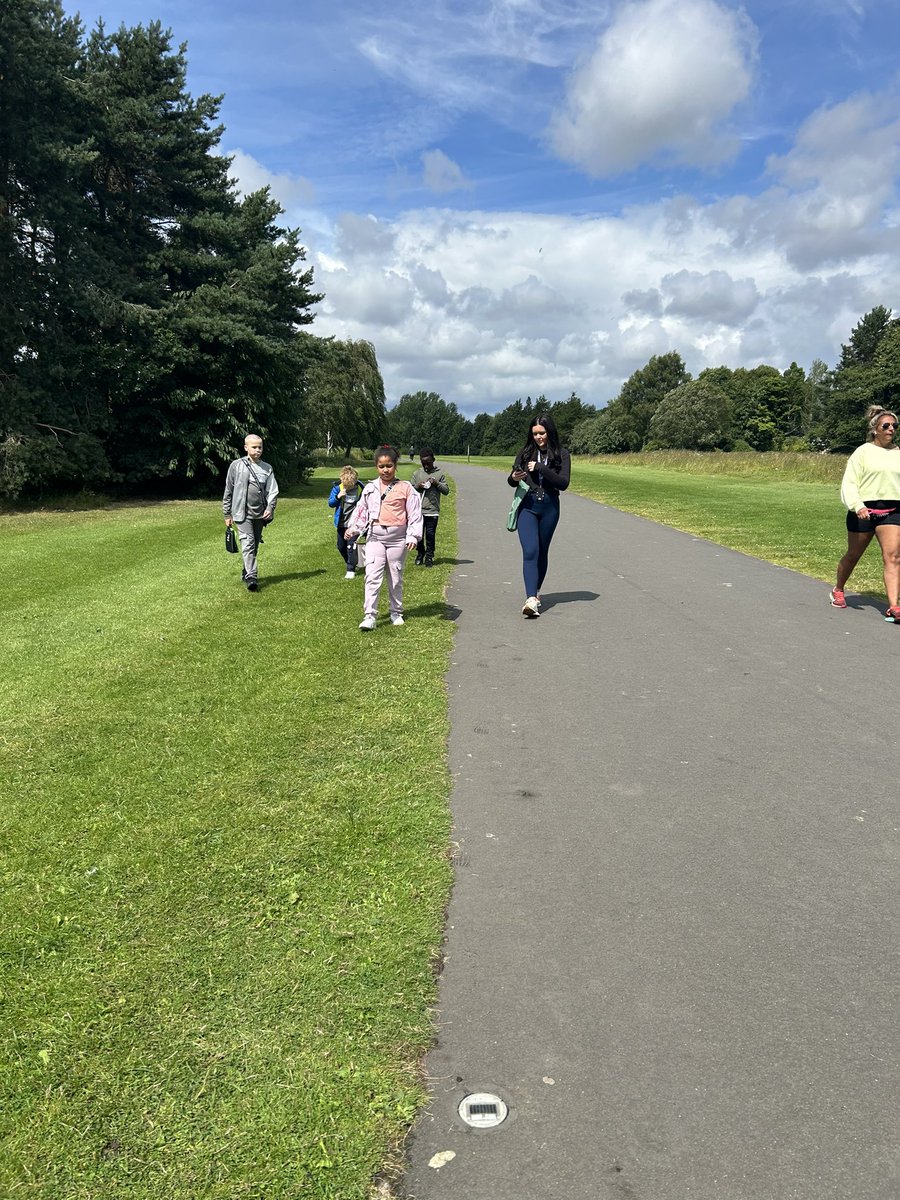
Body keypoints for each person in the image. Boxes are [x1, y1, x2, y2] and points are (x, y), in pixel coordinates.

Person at [832, 405, 900, 621]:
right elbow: (850, 483)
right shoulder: (862, 452)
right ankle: (838, 589)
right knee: (853, 555)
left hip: (892, 511)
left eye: (894, 426)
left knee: (893, 557)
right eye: (886, 425)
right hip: (864, 510)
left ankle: (893, 606)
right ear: (875, 429)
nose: (891, 429)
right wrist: (857, 505)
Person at [345, 446, 423, 630]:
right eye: (381, 466)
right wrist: (353, 528)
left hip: (397, 539)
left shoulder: (406, 488)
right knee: (372, 576)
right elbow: (361, 511)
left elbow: (414, 514)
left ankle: (396, 612)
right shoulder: (370, 488)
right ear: (376, 467)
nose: (385, 470)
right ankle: (369, 616)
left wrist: (412, 536)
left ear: (395, 466)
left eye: (389, 466)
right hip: (375, 538)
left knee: (395, 576)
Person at [508, 413, 570, 618]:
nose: (538, 437)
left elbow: (563, 483)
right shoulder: (525, 453)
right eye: (535, 433)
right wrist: (514, 477)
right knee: (531, 550)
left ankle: (536, 592)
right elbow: (512, 480)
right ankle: (531, 598)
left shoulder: (562, 454)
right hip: (528, 505)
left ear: (549, 432)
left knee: (542, 551)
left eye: (542, 433)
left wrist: (542, 467)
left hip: (550, 507)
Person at [223, 434, 278, 592]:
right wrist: (227, 514)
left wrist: (270, 508)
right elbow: (229, 490)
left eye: (260, 447)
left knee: (253, 546)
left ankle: (246, 570)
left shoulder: (267, 468)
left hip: (260, 514)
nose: (258, 450)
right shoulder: (236, 465)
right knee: (247, 542)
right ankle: (252, 577)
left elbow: (272, 491)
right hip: (241, 513)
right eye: (254, 447)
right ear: (246, 447)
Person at [410, 447, 450, 566]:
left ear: (433, 460)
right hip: (418, 511)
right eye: (424, 463)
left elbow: (446, 491)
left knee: (430, 535)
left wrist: (436, 483)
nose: (426, 466)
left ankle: (429, 556)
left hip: (433, 510)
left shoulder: (439, 474)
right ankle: (420, 553)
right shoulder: (417, 474)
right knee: (419, 535)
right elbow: (409, 490)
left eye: (428, 463)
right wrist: (419, 486)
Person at [328, 466, 364, 578]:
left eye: (351, 485)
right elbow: (331, 503)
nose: (349, 487)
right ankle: (351, 561)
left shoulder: (360, 488)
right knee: (341, 546)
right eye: (346, 485)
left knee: (351, 546)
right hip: (341, 523)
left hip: (353, 524)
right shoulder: (337, 488)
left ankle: (350, 570)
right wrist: (338, 497)